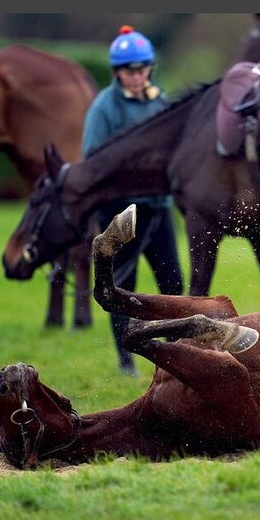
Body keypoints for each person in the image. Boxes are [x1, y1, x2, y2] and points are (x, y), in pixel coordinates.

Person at [82, 25, 184, 376]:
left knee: (173, 283)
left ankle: (179, 354)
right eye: (131, 71)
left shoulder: (158, 98)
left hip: (159, 209)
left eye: (143, 69)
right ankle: (127, 362)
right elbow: (95, 160)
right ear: (117, 73)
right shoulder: (104, 108)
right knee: (123, 286)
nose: (138, 77)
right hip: (121, 213)